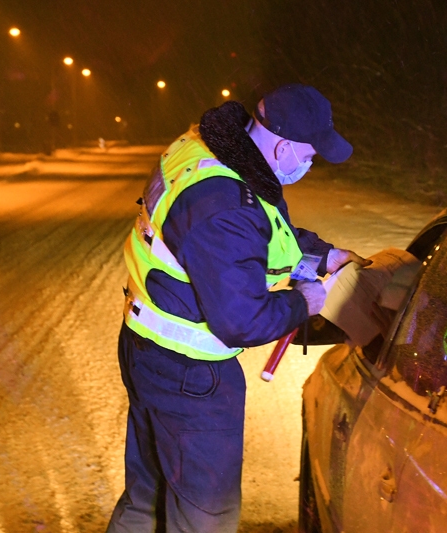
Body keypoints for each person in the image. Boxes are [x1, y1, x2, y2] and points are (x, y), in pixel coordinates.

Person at [106, 84, 368, 532]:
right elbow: (241, 319)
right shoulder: (226, 202)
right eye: (309, 155)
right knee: (206, 517)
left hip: (148, 348)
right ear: (284, 145)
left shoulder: (210, 155)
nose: (309, 164)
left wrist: (322, 255)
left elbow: (255, 238)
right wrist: (304, 301)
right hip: (191, 378)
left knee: (148, 499)